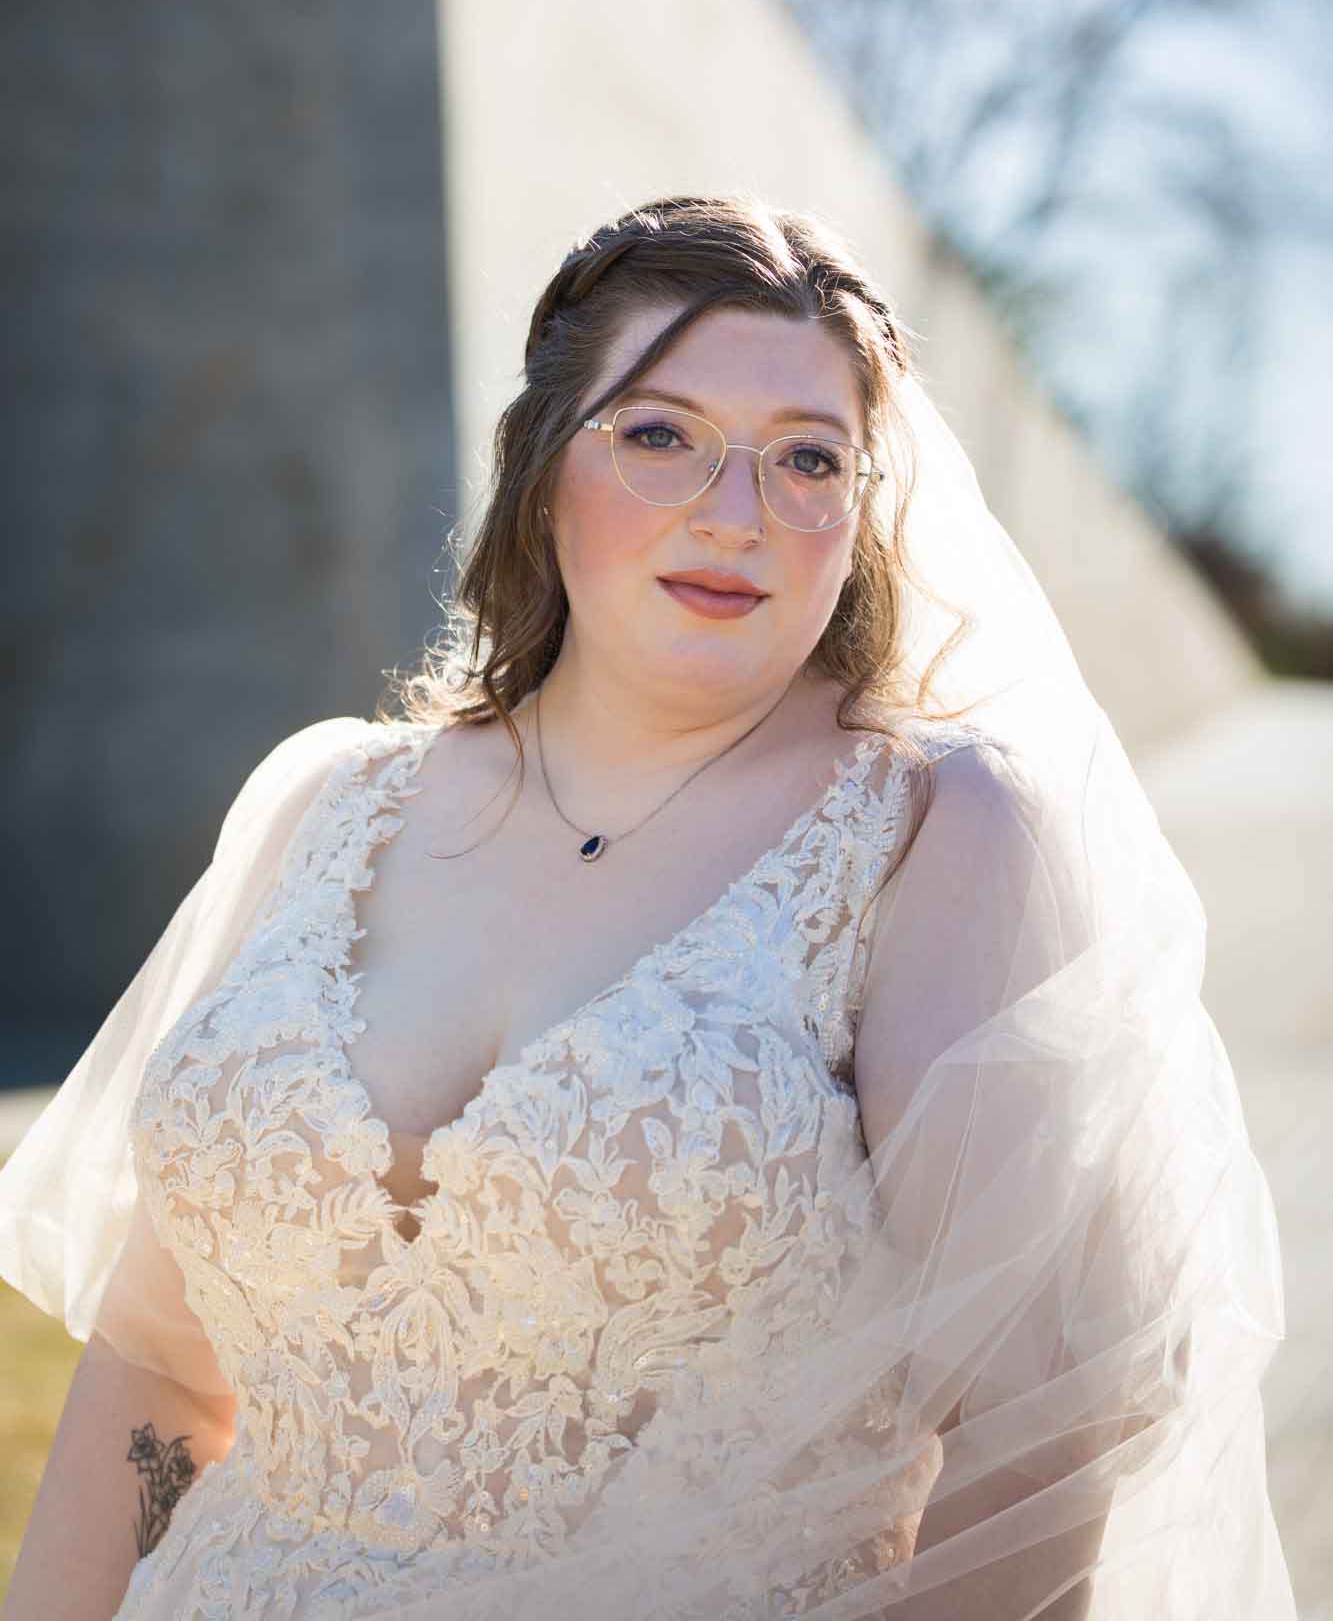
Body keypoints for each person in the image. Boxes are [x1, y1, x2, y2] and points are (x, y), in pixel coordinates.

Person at [0, 194, 1295, 1619]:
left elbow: (1038, 1441)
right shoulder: (330, 803)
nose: (733, 516)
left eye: (806, 458)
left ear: (858, 513)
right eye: (662, 434)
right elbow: (160, 1375)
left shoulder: (933, 834)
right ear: (546, 459)